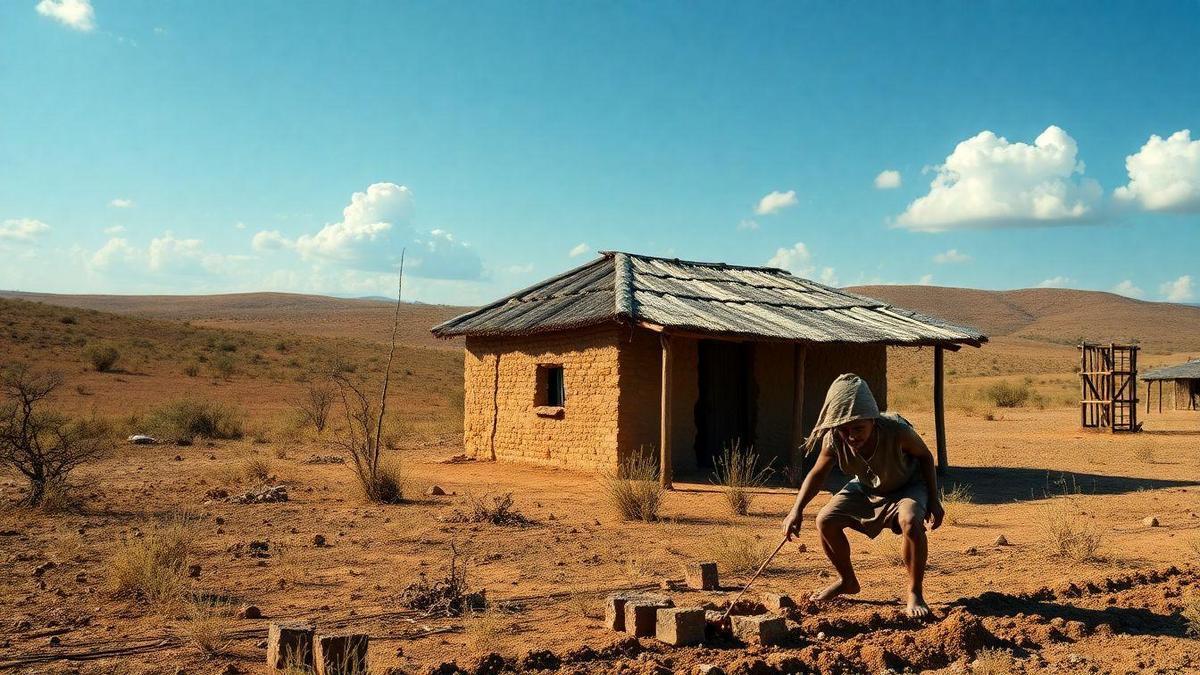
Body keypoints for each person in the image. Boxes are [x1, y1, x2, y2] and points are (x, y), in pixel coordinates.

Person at [780, 373, 944, 618]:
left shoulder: (896, 431)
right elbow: (817, 474)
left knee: (910, 522)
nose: (852, 436)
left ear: (873, 421)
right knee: (825, 519)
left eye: (859, 428)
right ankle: (847, 581)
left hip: (908, 486)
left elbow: (925, 457)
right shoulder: (834, 440)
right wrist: (796, 509)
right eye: (845, 430)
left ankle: (915, 592)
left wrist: (934, 499)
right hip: (868, 488)